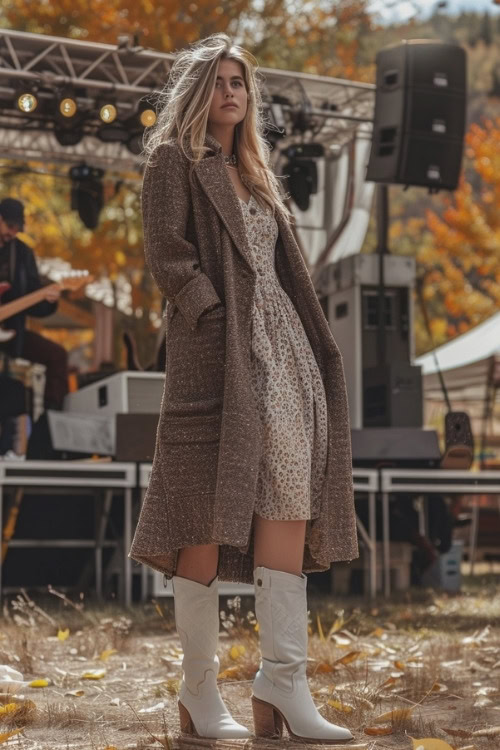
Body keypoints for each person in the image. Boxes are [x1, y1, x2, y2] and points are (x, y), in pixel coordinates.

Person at [129, 33, 358, 742]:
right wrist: (211, 311)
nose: (233, 91)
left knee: (290, 488)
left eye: (241, 81)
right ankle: (200, 694)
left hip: (284, 349)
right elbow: (166, 251)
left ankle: (282, 686)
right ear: (199, 90)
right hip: (220, 356)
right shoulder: (173, 161)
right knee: (202, 511)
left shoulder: (258, 172)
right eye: (220, 80)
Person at [0, 198, 69, 413]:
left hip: (12, 335)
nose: (13, 233)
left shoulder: (22, 253)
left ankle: (49, 421)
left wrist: (49, 300)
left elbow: (31, 301)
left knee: (57, 355)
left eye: (17, 228)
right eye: (10, 226)